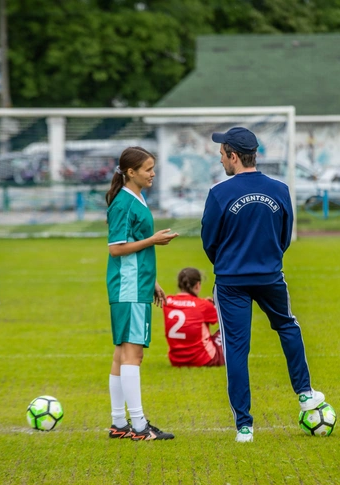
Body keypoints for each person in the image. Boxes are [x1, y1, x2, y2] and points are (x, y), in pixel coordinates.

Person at [201, 127, 325, 443]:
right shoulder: (281, 189)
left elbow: (209, 241)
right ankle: (305, 393)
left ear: (233, 155)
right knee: (287, 326)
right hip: (270, 276)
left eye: (221, 153)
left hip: (231, 282)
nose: (220, 158)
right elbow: (284, 237)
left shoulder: (218, 193)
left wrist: (230, 263)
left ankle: (244, 427)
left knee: (237, 349)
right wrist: (266, 259)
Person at [105, 146, 179, 441]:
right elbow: (116, 248)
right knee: (133, 354)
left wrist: (154, 281)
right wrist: (153, 239)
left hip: (136, 284)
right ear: (131, 172)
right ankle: (138, 426)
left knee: (121, 353)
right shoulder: (123, 202)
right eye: (148, 169)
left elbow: (135, 248)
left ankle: (118, 423)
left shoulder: (136, 197)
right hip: (129, 287)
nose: (153, 174)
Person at [163, 267, 224, 367]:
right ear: (197, 285)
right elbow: (222, 317)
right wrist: (213, 305)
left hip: (176, 360)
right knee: (228, 328)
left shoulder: (168, 301)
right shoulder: (203, 305)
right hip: (202, 359)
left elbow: (188, 308)